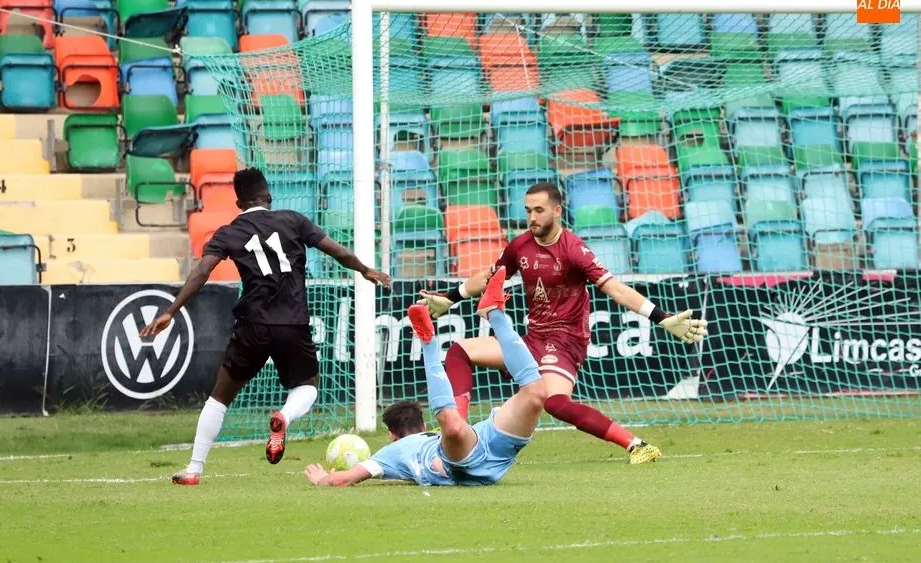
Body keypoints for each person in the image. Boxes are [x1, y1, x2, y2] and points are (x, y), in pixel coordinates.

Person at [418, 182, 708, 464]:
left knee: (555, 403)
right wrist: (451, 297)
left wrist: (662, 317)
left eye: (539, 210)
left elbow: (615, 288)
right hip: (533, 338)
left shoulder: (573, 249)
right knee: (460, 351)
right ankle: (457, 430)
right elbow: (491, 277)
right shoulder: (520, 246)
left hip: (565, 340)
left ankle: (636, 445)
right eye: (528, 210)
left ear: (557, 211)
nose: (532, 217)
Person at [140, 168, 391, 485]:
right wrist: (366, 270)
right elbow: (336, 251)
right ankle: (283, 417)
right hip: (293, 323)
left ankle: (193, 469)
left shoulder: (229, 231)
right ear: (268, 197)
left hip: (252, 325)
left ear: (238, 202)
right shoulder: (294, 220)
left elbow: (202, 272)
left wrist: (172, 310)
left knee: (219, 398)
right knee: (308, 385)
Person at [304, 266, 546, 488]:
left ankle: (464, 325)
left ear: (391, 436)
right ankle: (488, 316)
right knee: (534, 395)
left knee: (465, 422)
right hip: (486, 449)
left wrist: (321, 479)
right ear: (424, 426)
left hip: (471, 449)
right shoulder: (400, 450)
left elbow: (344, 479)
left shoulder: (390, 453)